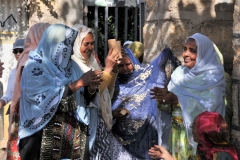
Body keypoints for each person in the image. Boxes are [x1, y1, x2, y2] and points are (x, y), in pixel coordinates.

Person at [18, 24, 102, 160]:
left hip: (73, 138)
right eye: (66, 45)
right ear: (53, 45)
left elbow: (83, 99)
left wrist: (91, 87)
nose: (70, 51)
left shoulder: (73, 67)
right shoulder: (34, 67)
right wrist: (79, 83)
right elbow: (43, 99)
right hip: (42, 137)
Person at [151, 33, 226, 159]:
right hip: (177, 136)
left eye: (192, 51)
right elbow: (170, 109)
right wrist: (164, 98)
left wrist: (178, 99)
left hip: (199, 141)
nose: (185, 54)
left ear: (203, 53)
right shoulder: (179, 74)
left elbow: (210, 109)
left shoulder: (214, 77)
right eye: (184, 49)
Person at [111, 47, 180, 159]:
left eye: (128, 64)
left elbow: (159, 75)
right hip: (120, 141)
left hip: (146, 136)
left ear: (133, 62)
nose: (125, 68)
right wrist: (113, 113)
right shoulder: (114, 85)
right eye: (120, 66)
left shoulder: (145, 79)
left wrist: (163, 57)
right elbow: (104, 109)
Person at [71, 24, 119, 159]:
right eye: (86, 44)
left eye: (92, 44)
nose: (91, 47)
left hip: (98, 122)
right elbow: (90, 96)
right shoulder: (72, 66)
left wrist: (112, 70)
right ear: (75, 44)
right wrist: (108, 70)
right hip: (82, 126)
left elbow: (105, 93)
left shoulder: (92, 62)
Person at [6, 23, 50, 160]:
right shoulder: (30, 59)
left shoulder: (42, 56)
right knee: (29, 150)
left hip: (36, 111)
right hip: (31, 112)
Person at [148, 111, 239, 160]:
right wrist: (166, 156)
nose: (191, 128)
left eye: (194, 126)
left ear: (202, 133)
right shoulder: (203, 148)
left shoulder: (222, 156)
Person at [0, 38, 24, 111]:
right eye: (15, 51)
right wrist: (2, 102)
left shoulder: (35, 70)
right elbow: (9, 93)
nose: (18, 53)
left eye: (21, 50)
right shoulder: (13, 72)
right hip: (17, 111)